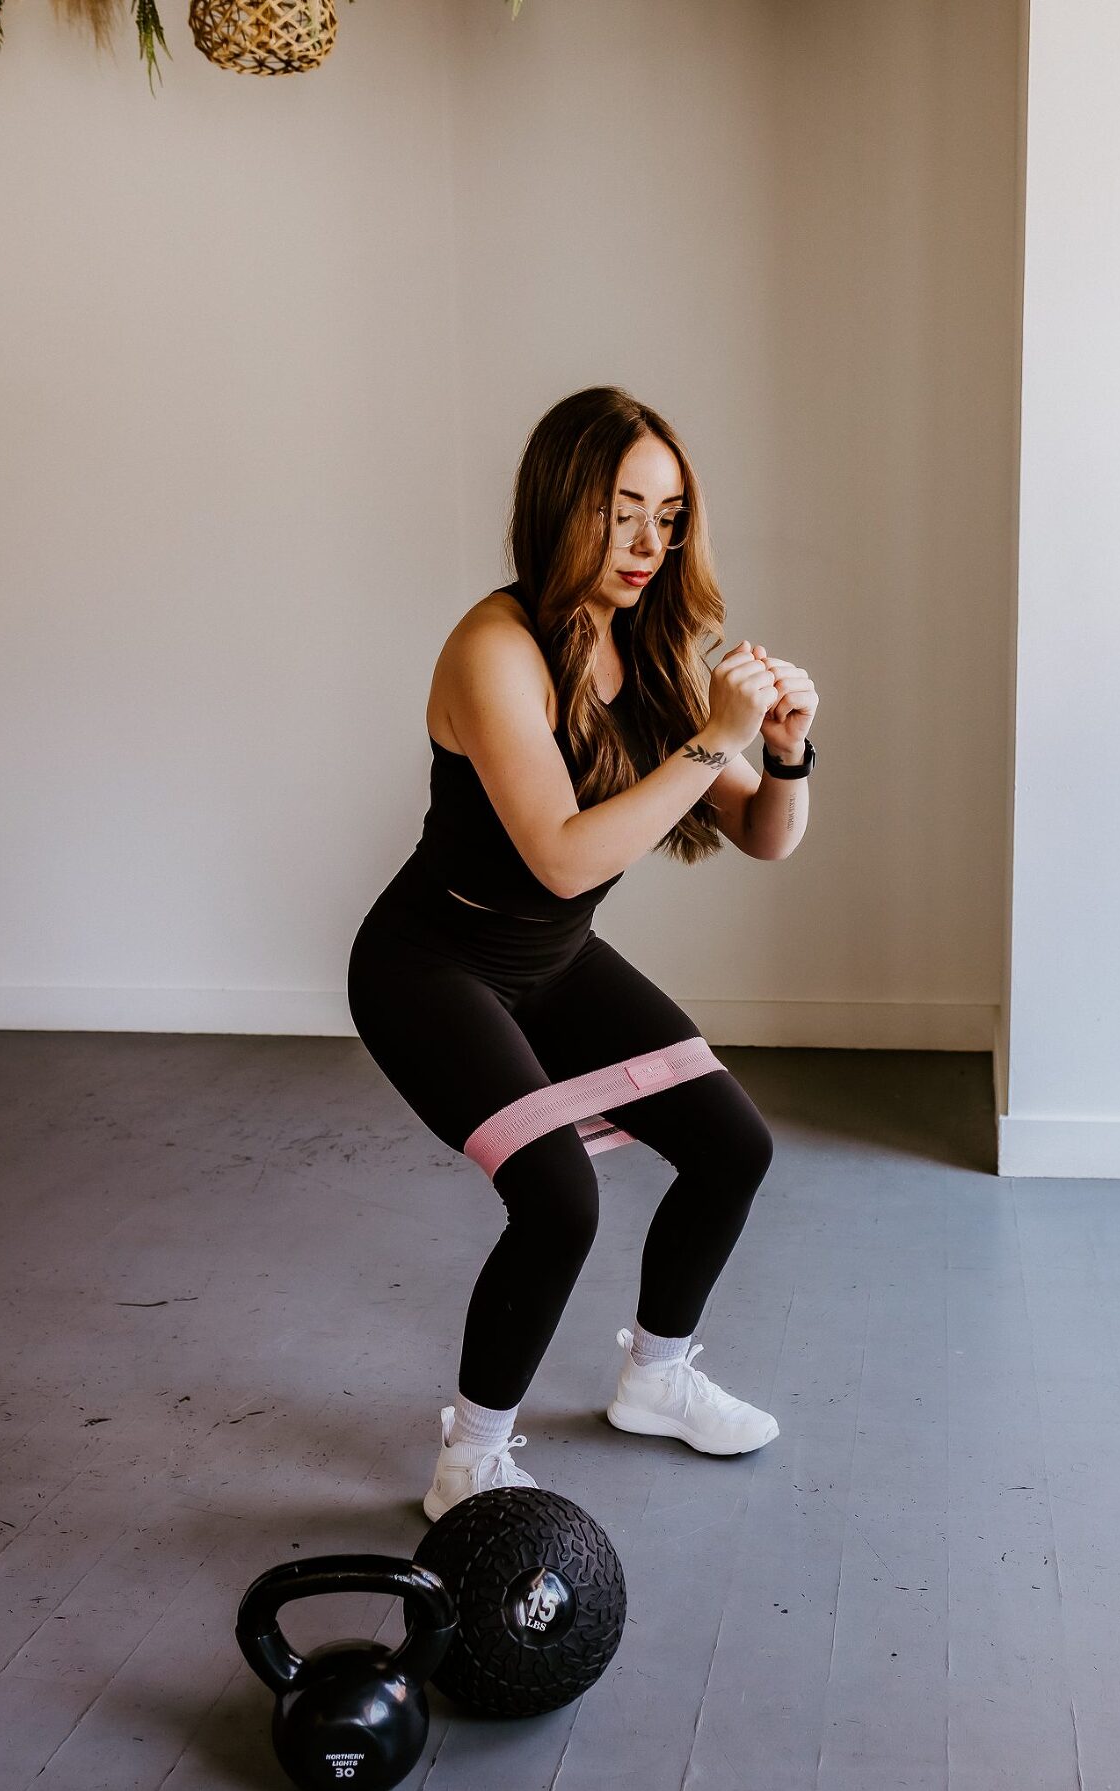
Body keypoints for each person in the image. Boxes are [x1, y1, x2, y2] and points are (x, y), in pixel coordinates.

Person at [346, 385, 819, 1520]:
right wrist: (715, 736)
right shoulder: (493, 647)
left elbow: (763, 837)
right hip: (431, 966)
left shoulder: (649, 650)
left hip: (550, 962)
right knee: (558, 1199)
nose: (653, 543)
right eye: (624, 512)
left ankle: (656, 1378)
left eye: (672, 514)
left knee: (730, 1147)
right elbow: (561, 857)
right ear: (565, 506)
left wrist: (789, 752)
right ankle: (471, 1454)